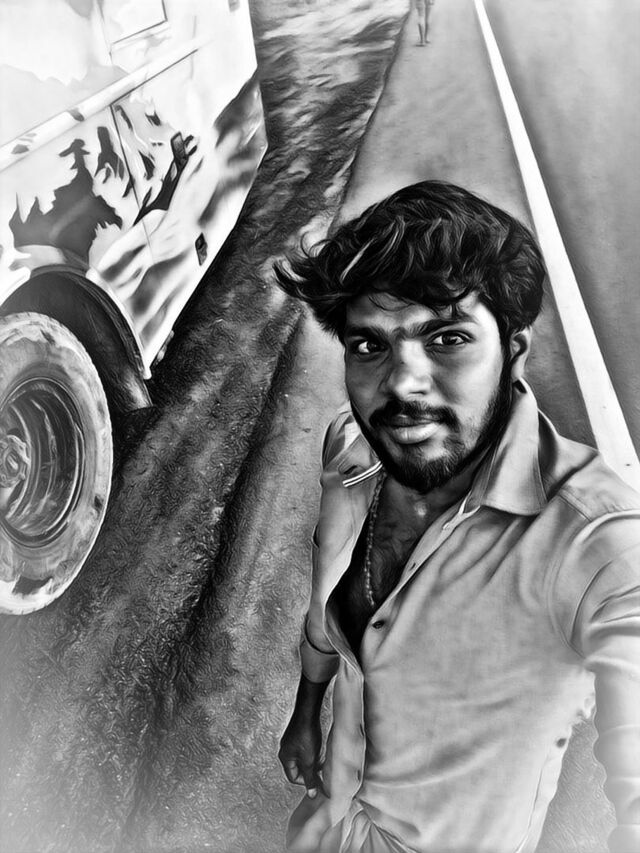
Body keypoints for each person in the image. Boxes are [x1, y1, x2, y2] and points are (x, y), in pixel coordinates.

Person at [274, 181, 640, 853]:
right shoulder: (351, 451)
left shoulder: (600, 542)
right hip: (326, 825)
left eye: (447, 338)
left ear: (514, 350)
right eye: (369, 346)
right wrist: (307, 710)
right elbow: (326, 606)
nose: (401, 383)